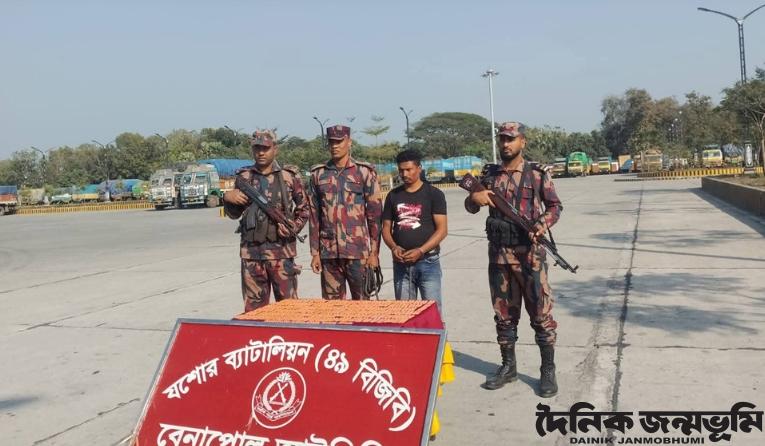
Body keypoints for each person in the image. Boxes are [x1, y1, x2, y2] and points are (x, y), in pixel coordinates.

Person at [464, 121, 563, 397]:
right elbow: (471, 206)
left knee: (541, 315)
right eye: (502, 139)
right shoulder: (489, 175)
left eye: (511, 139)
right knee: (504, 315)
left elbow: (555, 206)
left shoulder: (537, 175)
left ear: (522, 142)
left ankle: (547, 370)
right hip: (499, 256)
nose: (506, 144)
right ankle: (508, 367)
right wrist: (475, 197)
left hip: (530, 257)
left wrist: (541, 225)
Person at [223, 130, 309, 312]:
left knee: (289, 310)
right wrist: (228, 198)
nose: (261, 153)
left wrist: (294, 227)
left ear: (275, 149)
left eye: (265, 148)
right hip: (252, 255)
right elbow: (234, 214)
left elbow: (305, 208)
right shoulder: (244, 178)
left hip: (281, 254)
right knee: (254, 312)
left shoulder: (289, 177)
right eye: (257, 149)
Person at [308, 125, 382, 300]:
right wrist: (315, 253)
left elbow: (375, 216)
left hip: (357, 252)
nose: (335, 146)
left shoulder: (363, 172)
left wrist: (374, 253)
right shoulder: (318, 174)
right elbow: (314, 216)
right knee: (333, 308)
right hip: (329, 253)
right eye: (331, 142)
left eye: (339, 142)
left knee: (362, 305)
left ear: (349, 142)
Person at [382, 149, 447, 311]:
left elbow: (442, 230)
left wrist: (421, 250)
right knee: (404, 314)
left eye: (409, 169)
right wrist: (394, 247)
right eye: (401, 170)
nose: (404, 174)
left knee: (432, 313)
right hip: (401, 264)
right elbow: (386, 228)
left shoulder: (434, 194)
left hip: (428, 262)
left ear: (419, 168)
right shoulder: (393, 196)